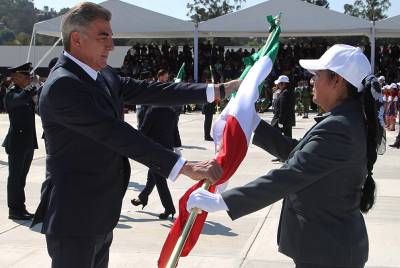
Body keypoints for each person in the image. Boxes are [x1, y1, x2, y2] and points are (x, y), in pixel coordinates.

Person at [30, 3, 240, 268]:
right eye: (103, 36)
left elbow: (154, 91)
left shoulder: (102, 75)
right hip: (74, 214)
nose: (112, 45)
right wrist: (184, 167)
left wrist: (216, 91)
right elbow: (118, 135)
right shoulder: (63, 85)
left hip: (100, 209)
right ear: (77, 39)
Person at [188, 44, 386, 268]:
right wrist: (254, 124)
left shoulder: (339, 127)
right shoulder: (343, 120)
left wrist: (223, 201)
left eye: (317, 75)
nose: (312, 81)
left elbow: (291, 175)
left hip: (328, 251)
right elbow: (296, 153)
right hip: (327, 246)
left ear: (338, 81)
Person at [131, 69, 177, 220]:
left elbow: (144, 130)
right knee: (153, 177)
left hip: (155, 151)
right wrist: (176, 147)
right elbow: (175, 132)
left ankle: (169, 208)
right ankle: (142, 198)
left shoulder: (153, 110)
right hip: (167, 150)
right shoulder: (171, 112)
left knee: (159, 181)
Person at [3, 62, 38, 220]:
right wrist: (33, 87)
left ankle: (20, 207)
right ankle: (14, 209)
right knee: (15, 177)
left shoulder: (24, 92)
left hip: (27, 142)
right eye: (27, 76)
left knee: (21, 178)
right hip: (17, 142)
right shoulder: (12, 93)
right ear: (17, 77)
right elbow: (20, 99)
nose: (29, 78)